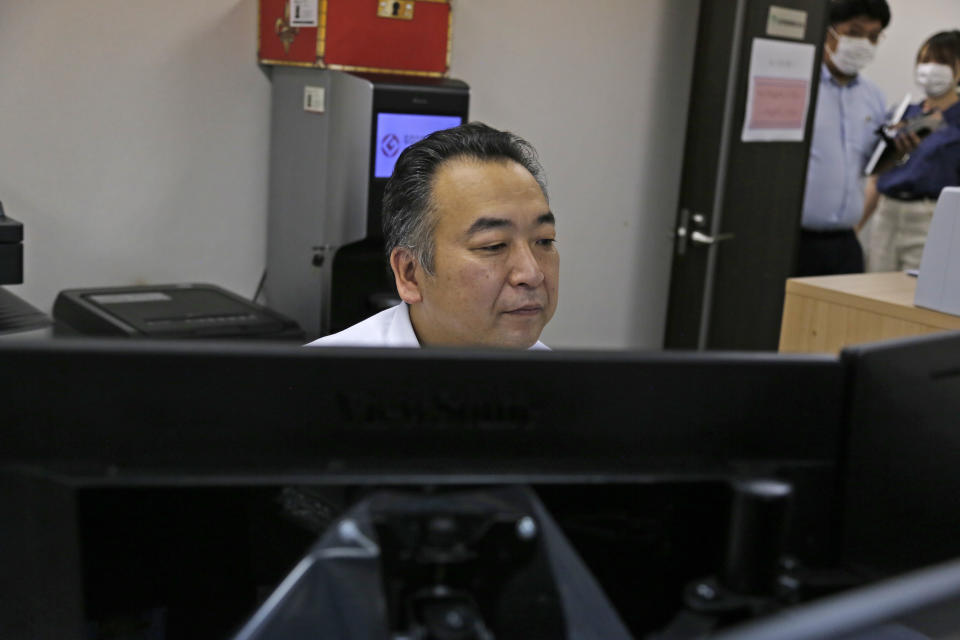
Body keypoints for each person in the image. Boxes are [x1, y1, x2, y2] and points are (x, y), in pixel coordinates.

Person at [306, 122, 558, 349]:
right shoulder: (317, 384)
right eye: (494, 245)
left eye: (544, 241)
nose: (532, 274)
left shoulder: (562, 385)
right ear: (410, 273)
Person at [797, 0, 890, 277]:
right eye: (854, 32)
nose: (864, 43)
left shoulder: (873, 96)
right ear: (828, 31)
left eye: (873, 37)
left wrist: (894, 153)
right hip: (794, 240)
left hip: (845, 242)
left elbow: (867, 167)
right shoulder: (800, 86)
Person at [860, 30, 960, 272]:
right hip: (887, 214)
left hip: (932, 217)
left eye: (942, 62)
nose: (931, 68)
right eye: (926, 61)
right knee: (874, 290)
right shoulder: (902, 114)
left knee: (916, 294)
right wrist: (858, 223)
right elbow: (876, 175)